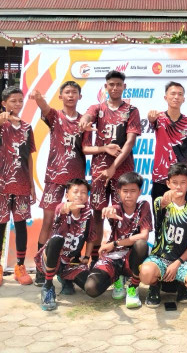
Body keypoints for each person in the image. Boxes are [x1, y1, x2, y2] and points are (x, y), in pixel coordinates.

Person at [78, 70, 141, 261]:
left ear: (124, 87)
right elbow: (87, 117)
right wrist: (84, 121)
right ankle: (95, 257)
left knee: (120, 213)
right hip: (99, 172)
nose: (114, 88)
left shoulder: (131, 111)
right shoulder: (97, 108)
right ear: (106, 87)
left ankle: (118, 256)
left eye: (118, 84)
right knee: (97, 213)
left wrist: (113, 166)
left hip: (122, 172)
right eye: (111, 84)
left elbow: (129, 143)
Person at [31, 82, 86, 286]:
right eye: (67, 92)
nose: (71, 95)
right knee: (48, 222)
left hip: (76, 180)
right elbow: (44, 108)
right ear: (61, 96)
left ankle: (68, 270)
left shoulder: (84, 121)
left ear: (80, 96)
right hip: (54, 178)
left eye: (74, 92)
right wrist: (38, 98)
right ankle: (41, 267)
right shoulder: (55, 116)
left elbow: (87, 147)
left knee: (74, 225)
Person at [0, 86, 36, 287]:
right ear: (4, 103)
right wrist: (7, 117)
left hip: (22, 184)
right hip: (1, 184)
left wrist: (32, 183)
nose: (17, 104)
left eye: (20, 100)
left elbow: (29, 157)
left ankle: (20, 266)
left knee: (21, 225)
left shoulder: (26, 127)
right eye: (13, 100)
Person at [139, 162, 187, 306]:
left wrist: (177, 264)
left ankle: (182, 284)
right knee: (145, 274)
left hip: (182, 262)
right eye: (174, 182)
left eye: (183, 182)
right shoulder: (161, 203)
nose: (178, 186)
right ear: (168, 183)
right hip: (160, 259)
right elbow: (162, 202)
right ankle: (154, 286)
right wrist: (166, 198)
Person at [84, 171, 151, 309]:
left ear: (140, 191)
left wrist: (115, 243)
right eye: (125, 191)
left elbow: (144, 235)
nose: (128, 195)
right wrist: (107, 211)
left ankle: (133, 286)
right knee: (91, 288)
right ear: (118, 192)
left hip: (131, 257)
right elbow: (110, 210)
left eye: (133, 191)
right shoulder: (115, 209)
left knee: (141, 244)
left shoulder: (143, 206)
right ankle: (117, 278)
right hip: (112, 257)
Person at [39, 178, 96, 311]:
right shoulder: (61, 208)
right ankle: (47, 287)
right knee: (57, 239)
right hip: (52, 258)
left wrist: (87, 257)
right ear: (67, 195)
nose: (79, 195)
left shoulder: (88, 215)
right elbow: (61, 209)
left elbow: (91, 238)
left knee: (91, 286)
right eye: (75, 191)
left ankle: (66, 278)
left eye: (83, 192)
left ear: (87, 196)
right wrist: (67, 207)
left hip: (71, 261)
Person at [147, 81, 187, 201]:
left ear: (184, 99)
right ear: (166, 97)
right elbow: (151, 122)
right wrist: (151, 118)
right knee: (160, 217)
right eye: (173, 94)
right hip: (160, 178)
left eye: (179, 94)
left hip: (181, 181)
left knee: (179, 218)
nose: (176, 97)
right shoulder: (158, 118)